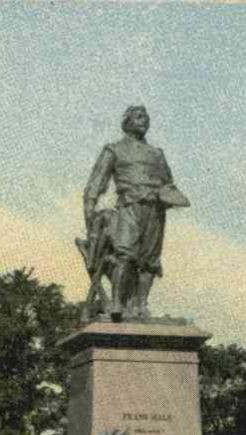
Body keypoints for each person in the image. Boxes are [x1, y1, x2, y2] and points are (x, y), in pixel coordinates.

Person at [81, 105, 189, 321]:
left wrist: (171, 196)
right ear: (127, 122)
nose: (144, 120)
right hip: (129, 207)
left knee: (150, 261)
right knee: (125, 254)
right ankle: (117, 304)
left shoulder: (157, 154)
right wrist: (90, 208)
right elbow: (96, 181)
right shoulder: (114, 149)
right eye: (139, 117)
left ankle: (140, 306)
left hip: (154, 210)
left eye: (146, 117)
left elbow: (168, 183)